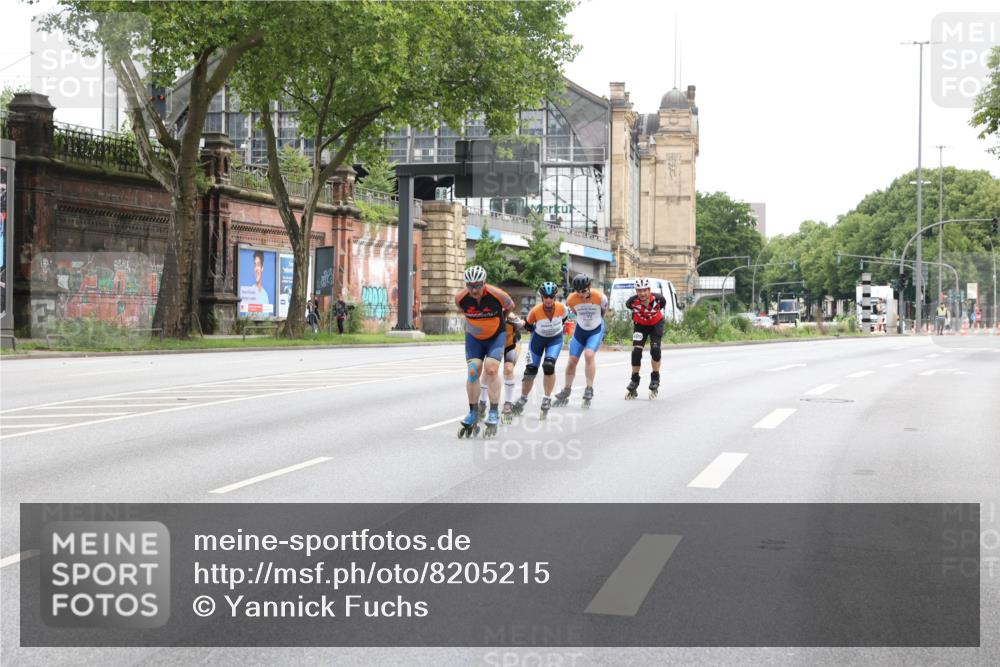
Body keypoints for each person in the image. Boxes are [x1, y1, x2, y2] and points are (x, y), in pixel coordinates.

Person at [456, 265, 514, 437]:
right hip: (474, 338)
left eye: (478, 285)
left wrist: (501, 319)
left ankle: (494, 411)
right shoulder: (460, 298)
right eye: (470, 285)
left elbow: (510, 306)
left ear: (484, 283)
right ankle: (473, 411)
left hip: (496, 336)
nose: (474, 290)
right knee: (473, 371)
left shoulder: (498, 295)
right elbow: (461, 310)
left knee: (491, 369)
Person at [511, 282, 569, 419]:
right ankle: (523, 399)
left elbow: (564, 319)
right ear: (542, 297)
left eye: (551, 297)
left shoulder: (562, 308)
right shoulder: (535, 311)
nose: (548, 299)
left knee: (549, 366)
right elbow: (529, 326)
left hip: (554, 340)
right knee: (530, 371)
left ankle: (546, 398)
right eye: (545, 297)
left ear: (555, 297)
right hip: (537, 341)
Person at [553, 274, 607, 409]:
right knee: (572, 361)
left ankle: (589, 388)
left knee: (589, 355)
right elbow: (575, 313)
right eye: (578, 292)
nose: (582, 295)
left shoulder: (600, 297)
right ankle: (566, 390)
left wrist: (594, 322)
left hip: (595, 329)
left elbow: (603, 313)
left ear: (589, 287)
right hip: (581, 330)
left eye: (584, 291)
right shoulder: (571, 299)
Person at [625, 277, 667, 399]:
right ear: (636, 291)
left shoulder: (659, 299)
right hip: (640, 326)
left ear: (649, 290)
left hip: (656, 324)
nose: (642, 293)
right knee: (636, 351)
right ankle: (634, 380)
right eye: (639, 290)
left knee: (655, 349)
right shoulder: (631, 302)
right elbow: (630, 308)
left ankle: (655, 378)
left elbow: (663, 305)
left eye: (645, 290)